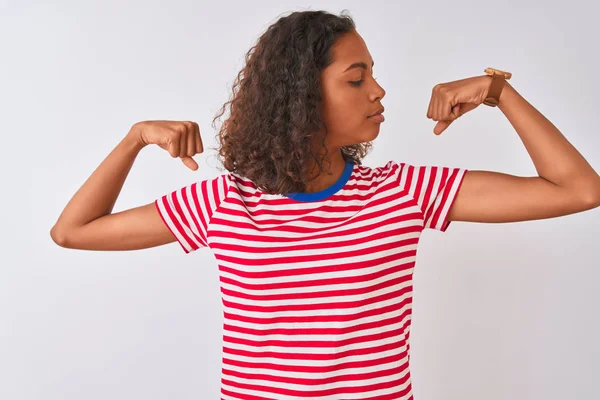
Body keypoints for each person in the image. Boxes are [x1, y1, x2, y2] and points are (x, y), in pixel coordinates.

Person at [50, 9, 600, 400]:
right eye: (357, 79)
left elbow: (578, 190)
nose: (379, 91)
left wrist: (499, 91)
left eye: (373, 75)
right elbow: (73, 231)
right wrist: (134, 138)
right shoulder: (222, 201)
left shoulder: (402, 191)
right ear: (300, 98)